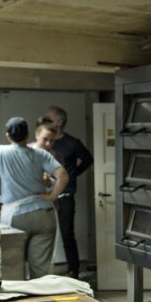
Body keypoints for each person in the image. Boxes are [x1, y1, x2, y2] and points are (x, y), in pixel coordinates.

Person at [0, 117, 68, 279]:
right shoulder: (41, 154)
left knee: (13, 267)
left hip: (16, 217)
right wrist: (51, 196)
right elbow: (62, 175)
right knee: (41, 271)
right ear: (28, 135)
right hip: (44, 214)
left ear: (8, 136)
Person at [43, 106, 93, 279]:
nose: (45, 121)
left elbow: (88, 159)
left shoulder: (72, 143)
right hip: (45, 195)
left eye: (49, 119)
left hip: (65, 196)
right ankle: (44, 271)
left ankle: (74, 270)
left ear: (59, 122)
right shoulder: (46, 142)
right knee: (44, 233)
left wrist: (73, 176)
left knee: (67, 234)